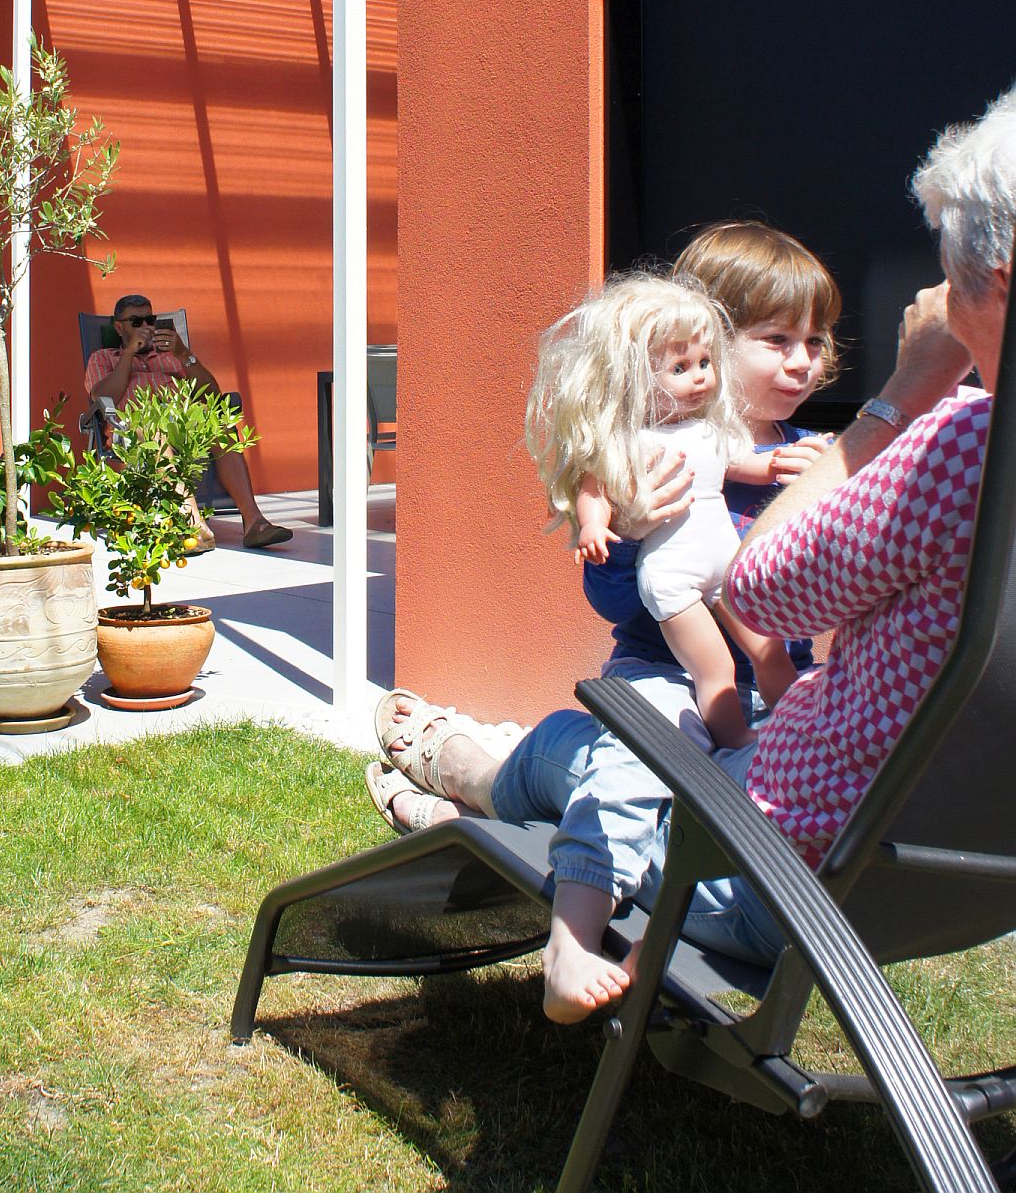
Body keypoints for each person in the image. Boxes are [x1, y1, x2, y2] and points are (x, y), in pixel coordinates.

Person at [369, 90, 1010, 1024]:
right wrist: (624, 534)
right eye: (772, 340)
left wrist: (903, 395)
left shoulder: (942, 447)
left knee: (597, 760)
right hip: (940, 873)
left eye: (949, 267)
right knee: (605, 749)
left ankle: (460, 776)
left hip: (778, 853)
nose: (799, 361)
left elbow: (763, 585)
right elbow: (637, 582)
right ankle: (457, 764)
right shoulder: (697, 444)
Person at [527, 273, 796, 750]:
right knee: (716, 666)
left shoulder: (710, 430)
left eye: (706, 362)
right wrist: (594, 525)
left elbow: (745, 462)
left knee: (768, 647)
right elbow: (595, 489)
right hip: (673, 580)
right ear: (633, 379)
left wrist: (778, 463)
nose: (700, 377)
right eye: (680, 367)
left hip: (726, 567)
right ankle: (735, 740)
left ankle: (796, 719)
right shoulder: (627, 444)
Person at [83, 292, 292, 551]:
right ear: (118, 326)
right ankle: (193, 523)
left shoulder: (171, 356)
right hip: (134, 428)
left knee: (219, 424)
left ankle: (254, 523)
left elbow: (212, 395)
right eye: (136, 322)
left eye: (150, 320)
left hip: (181, 422)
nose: (146, 327)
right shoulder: (104, 358)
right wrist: (128, 354)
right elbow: (103, 398)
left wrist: (184, 354)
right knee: (153, 429)